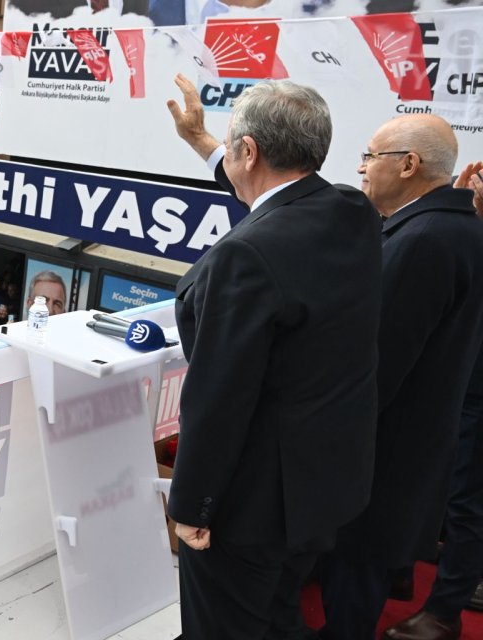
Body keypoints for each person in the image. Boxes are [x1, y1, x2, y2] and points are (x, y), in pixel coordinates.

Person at [164, 74, 382, 638]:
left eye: (235, 147)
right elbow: (268, 194)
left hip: (252, 508)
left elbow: (218, 397)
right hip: (325, 489)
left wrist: (191, 506)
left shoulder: (245, 256)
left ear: (251, 151)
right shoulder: (352, 211)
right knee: (281, 616)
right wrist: (205, 142)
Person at [317, 118, 483, 640]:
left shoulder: (425, 239)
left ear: (408, 165)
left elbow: (379, 363)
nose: (361, 168)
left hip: (384, 451)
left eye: (369, 156)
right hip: (415, 443)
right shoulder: (454, 226)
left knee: (357, 569)